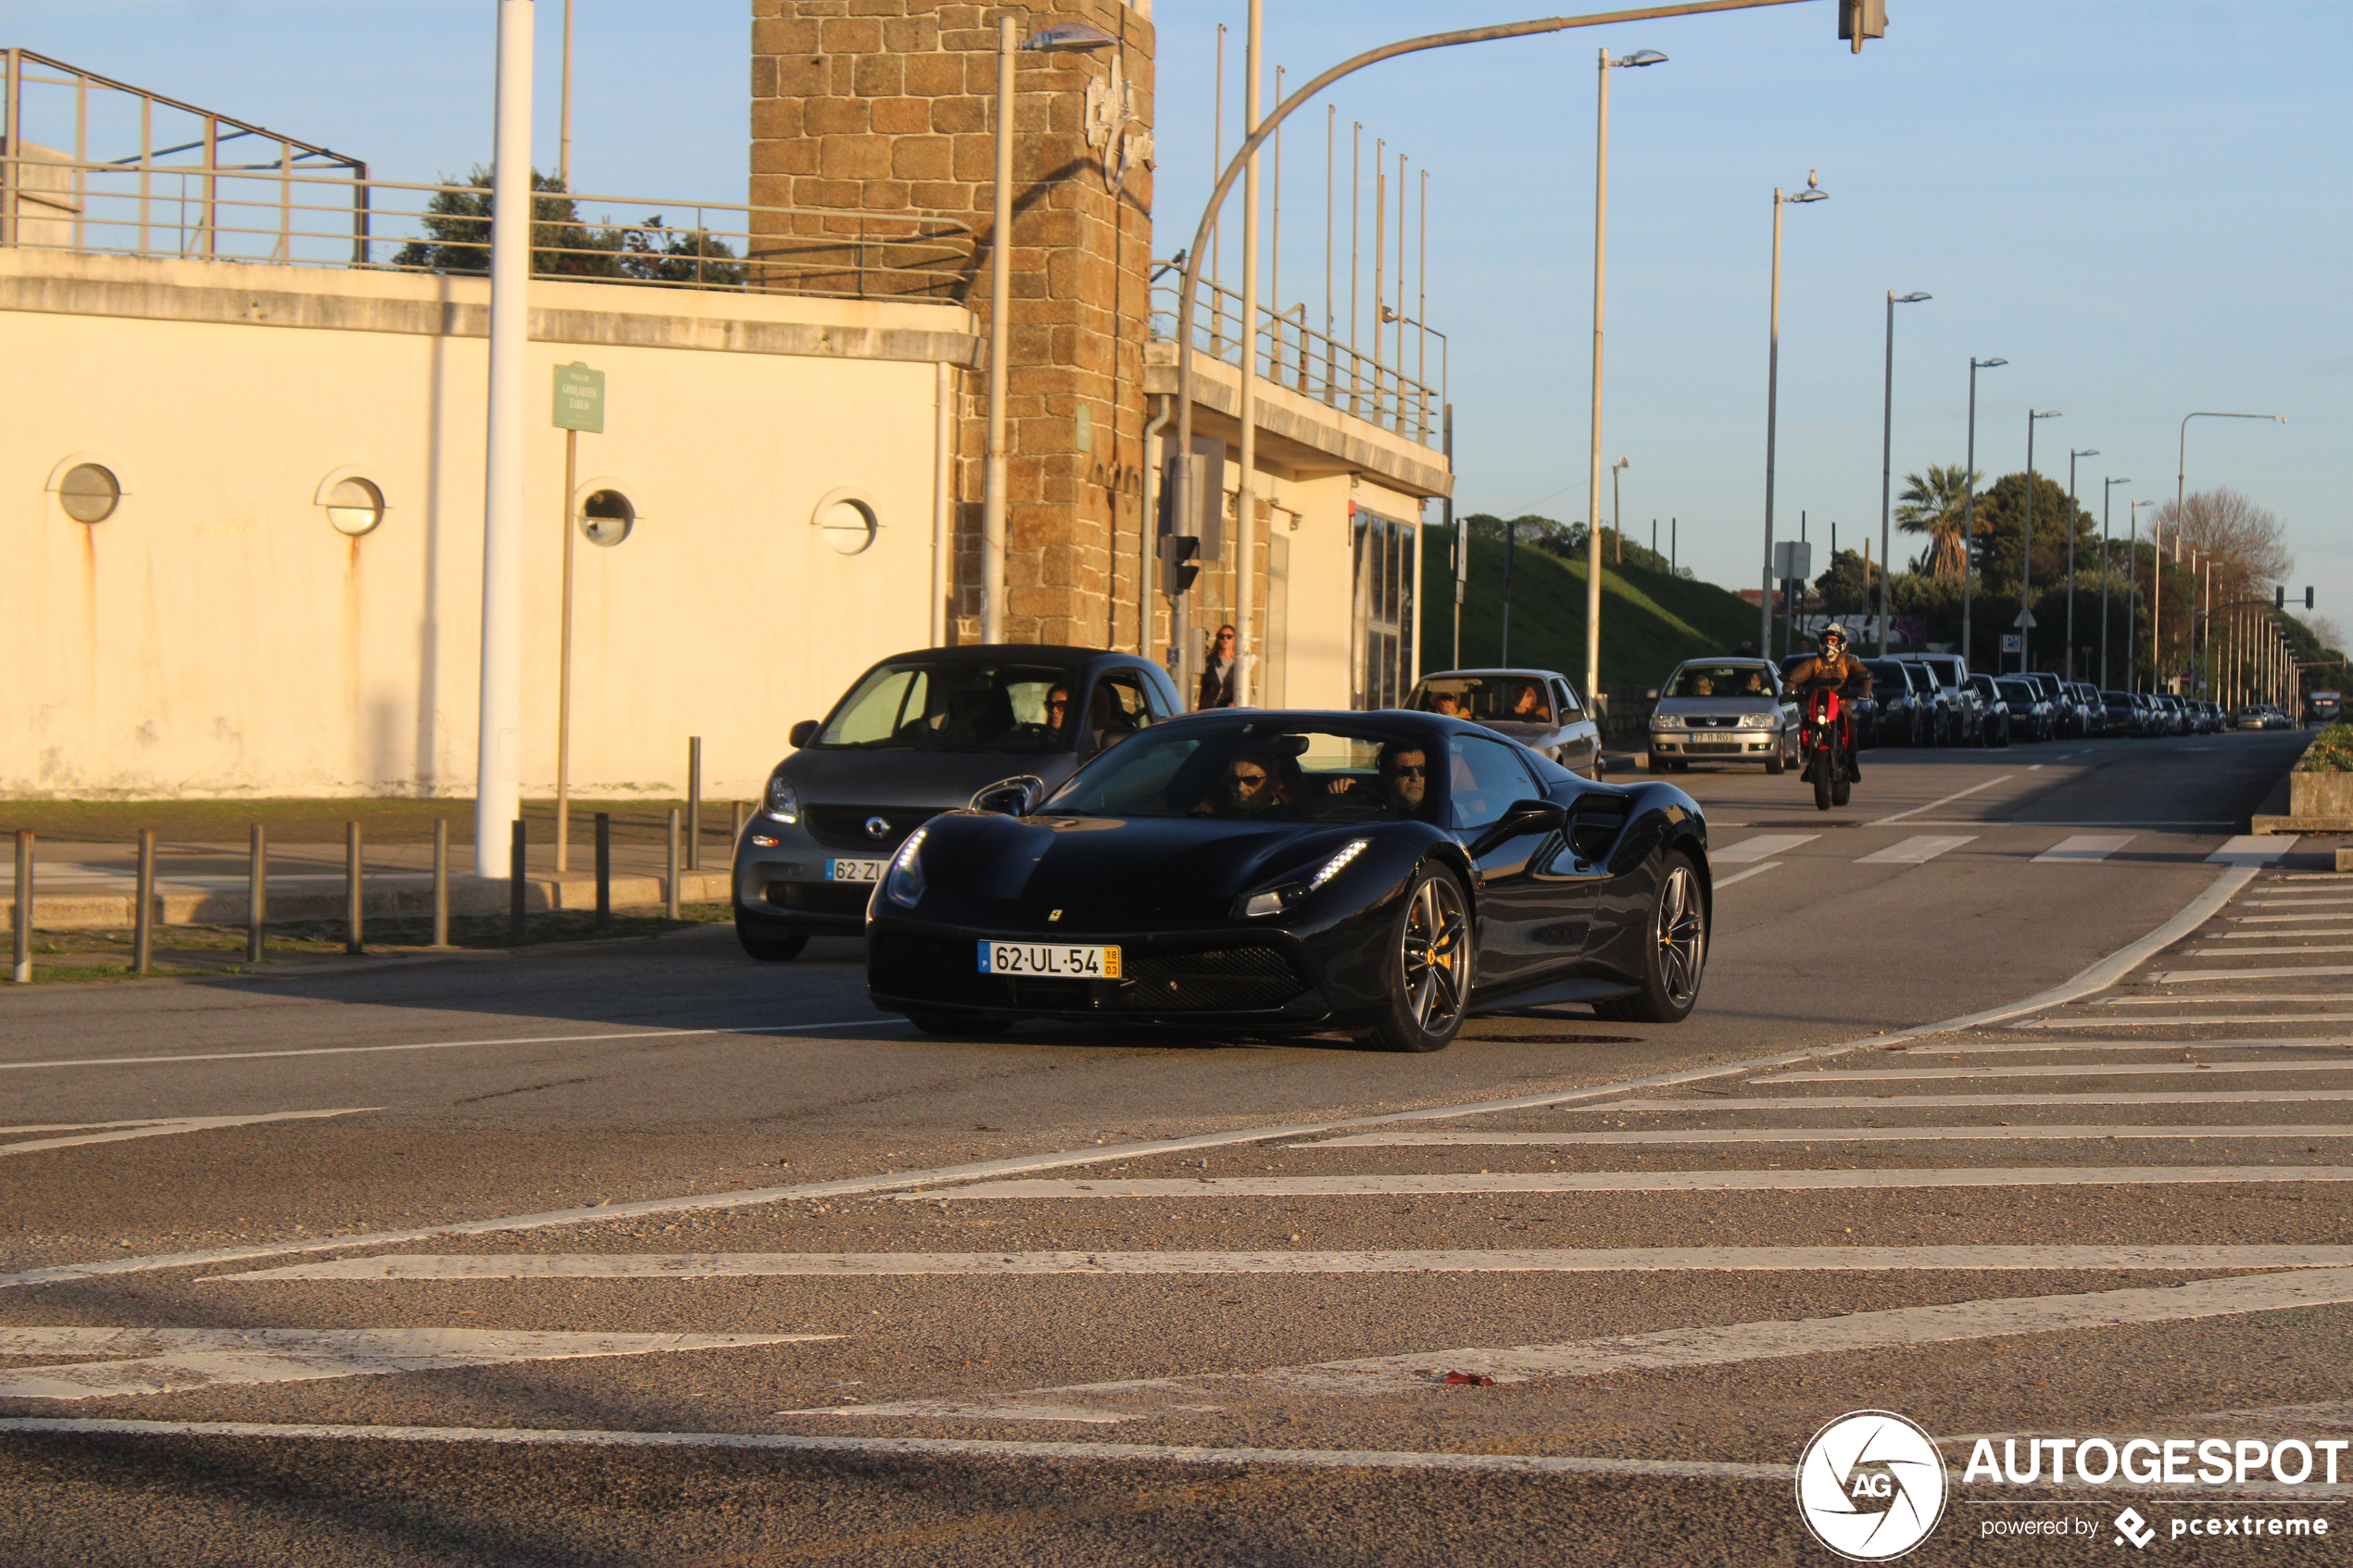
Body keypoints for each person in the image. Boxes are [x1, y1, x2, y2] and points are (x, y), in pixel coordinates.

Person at [1781, 625, 1872, 780]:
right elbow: (1797, 675)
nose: (1830, 643)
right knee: (1806, 725)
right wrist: (1788, 689)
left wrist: (1865, 689)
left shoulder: (1848, 661)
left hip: (1841, 703)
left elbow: (1864, 674)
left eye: (1833, 640)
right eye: (1827, 640)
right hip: (1819, 703)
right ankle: (1810, 761)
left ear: (1841, 642)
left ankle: (1852, 762)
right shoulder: (1815, 661)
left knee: (1850, 726)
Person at [1198, 625, 1239, 709]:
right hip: (1210, 709)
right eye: (1222, 637)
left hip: (1229, 710)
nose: (1225, 639)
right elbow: (1204, 688)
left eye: (1229, 637)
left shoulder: (1238, 664)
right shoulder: (1209, 662)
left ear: (1234, 640)